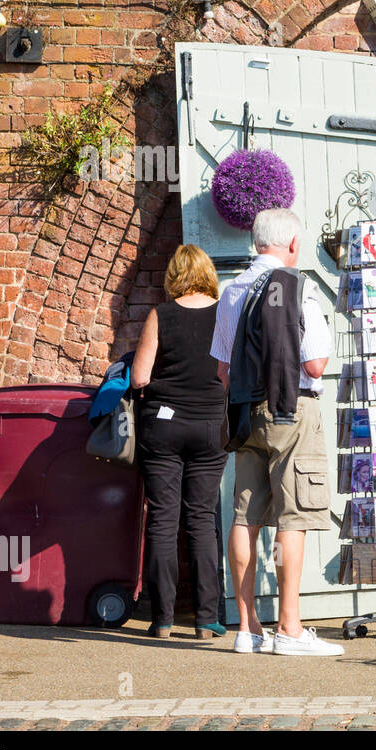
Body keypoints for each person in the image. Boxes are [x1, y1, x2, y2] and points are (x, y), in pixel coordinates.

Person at [211, 208, 343, 656]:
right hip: (292, 411)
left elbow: (222, 369)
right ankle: (289, 628)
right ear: (291, 244)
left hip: (245, 414)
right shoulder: (298, 288)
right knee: (293, 518)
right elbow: (315, 364)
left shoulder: (231, 292)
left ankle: (247, 628)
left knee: (244, 515)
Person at [131, 244, 229, 640]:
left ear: (174, 276)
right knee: (202, 520)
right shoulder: (225, 315)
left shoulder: (161, 315)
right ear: (208, 275)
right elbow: (232, 373)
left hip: (164, 428)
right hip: (209, 428)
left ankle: (163, 620)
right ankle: (206, 620)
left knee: (162, 520)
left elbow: (139, 377)